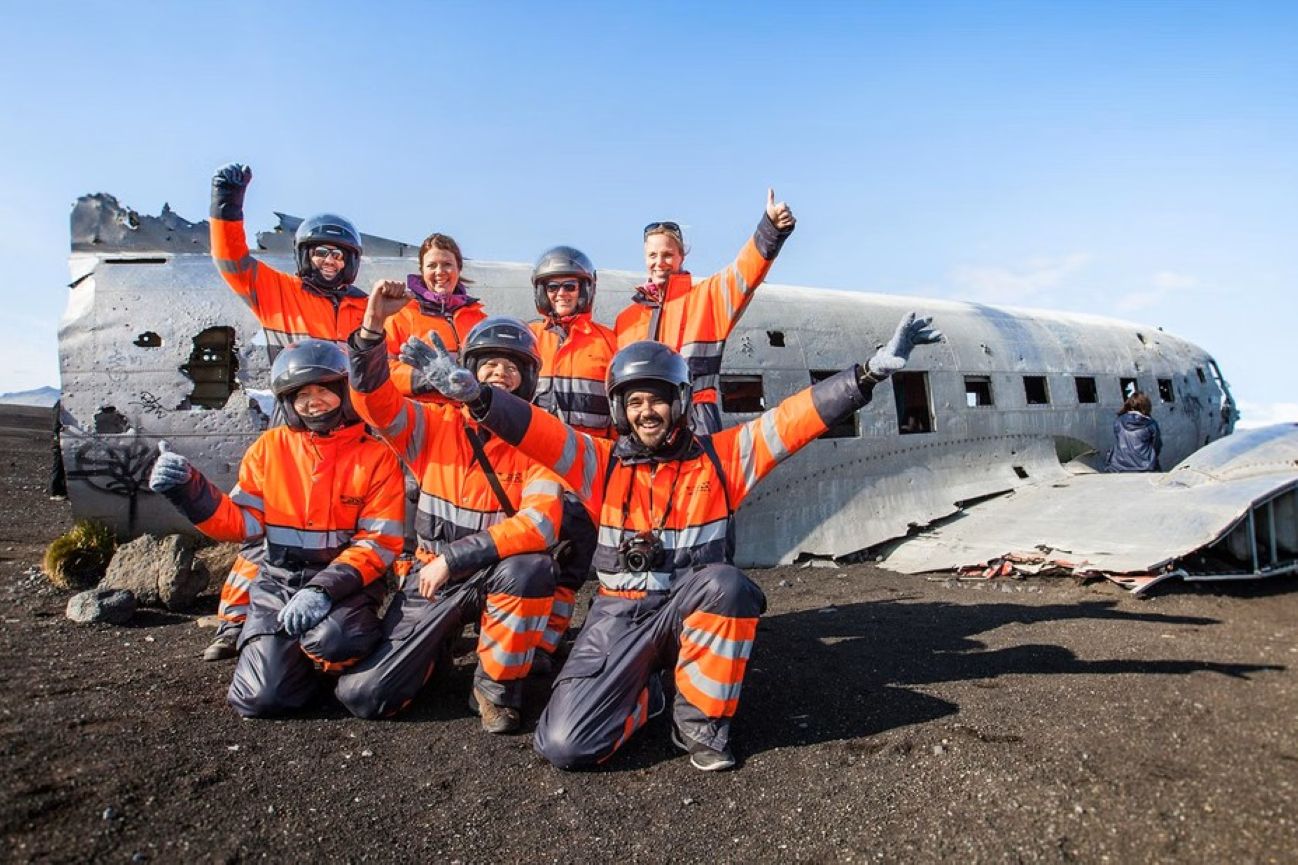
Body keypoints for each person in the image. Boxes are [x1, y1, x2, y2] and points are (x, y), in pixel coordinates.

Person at [402, 311, 942, 771]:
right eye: (633, 402)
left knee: (728, 586)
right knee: (565, 745)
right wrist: (475, 396)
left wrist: (868, 373)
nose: (646, 412)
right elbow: (534, 428)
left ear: (679, 402)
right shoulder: (598, 463)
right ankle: (648, 695)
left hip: (688, 609)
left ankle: (701, 723)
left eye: (657, 399)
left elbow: (795, 418)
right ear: (619, 410)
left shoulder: (724, 457)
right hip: (621, 614)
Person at [334, 283, 561, 733]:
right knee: (367, 696)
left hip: (486, 572)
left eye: (511, 367)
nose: (500, 373)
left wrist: (453, 559)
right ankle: (437, 646)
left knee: (531, 568)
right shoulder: (432, 425)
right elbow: (373, 404)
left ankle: (494, 689)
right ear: (469, 371)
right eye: (490, 364)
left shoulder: (540, 437)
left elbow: (541, 524)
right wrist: (372, 330)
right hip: (428, 577)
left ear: (529, 378)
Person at [148, 340, 405, 717]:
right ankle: (289, 659)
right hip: (279, 581)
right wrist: (188, 489)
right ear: (287, 402)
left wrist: (322, 590)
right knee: (262, 701)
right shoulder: (268, 449)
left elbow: (379, 541)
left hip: (346, 585)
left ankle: (327, 660)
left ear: (343, 391)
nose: (313, 401)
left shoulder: (376, 456)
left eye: (323, 389)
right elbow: (241, 523)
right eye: (301, 394)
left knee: (338, 640)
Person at [204, 162, 371, 662]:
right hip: (291, 428)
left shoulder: (367, 309)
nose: (329, 260)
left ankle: (338, 607)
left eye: (339, 253)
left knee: (347, 526)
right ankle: (234, 622)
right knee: (265, 528)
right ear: (304, 255)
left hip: (352, 432)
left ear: (352, 261)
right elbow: (230, 258)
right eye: (320, 250)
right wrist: (227, 203)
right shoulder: (277, 291)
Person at [616, 189, 797, 433]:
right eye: (652, 255)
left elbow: (743, 273)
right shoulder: (627, 319)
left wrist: (770, 229)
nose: (659, 262)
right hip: (646, 427)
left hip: (696, 423)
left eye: (668, 255)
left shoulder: (707, 298)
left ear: (682, 256)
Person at [527, 246, 618, 667]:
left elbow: (622, 412)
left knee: (573, 562)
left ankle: (549, 640)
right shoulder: (526, 338)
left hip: (588, 471)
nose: (562, 293)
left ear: (585, 290)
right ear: (542, 292)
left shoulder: (608, 343)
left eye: (570, 286)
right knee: (530, 557)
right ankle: (521, 637)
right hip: (533, 473)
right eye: (553, 287)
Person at [382, 233, 488, 400]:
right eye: (431, 265)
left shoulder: (479, 320)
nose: (440, 272)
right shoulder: (402, 314)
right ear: (422, 271)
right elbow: (381, 368)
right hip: (425, 416)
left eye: (447, 264)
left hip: (471, 416)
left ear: (459, 269)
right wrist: (430, 378)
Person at [1105, 391, 1163, 472]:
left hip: (1118, 466)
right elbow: (1157, 446)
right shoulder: (1151, 424)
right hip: (1145, 467)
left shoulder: (1118, 421)